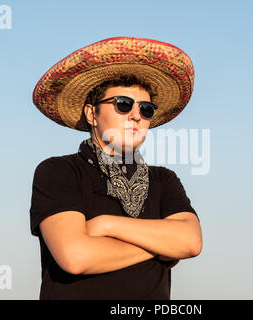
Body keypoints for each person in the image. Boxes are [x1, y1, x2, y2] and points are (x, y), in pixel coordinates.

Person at [29, 37, 202, 300]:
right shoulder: (59, 171)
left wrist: (105, 224)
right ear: (92, 114)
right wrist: (162, 246)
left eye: (145, 109)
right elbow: (76, 257)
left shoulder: (164, 179)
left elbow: (191, 241)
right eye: (123, 104)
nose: (136, 115)